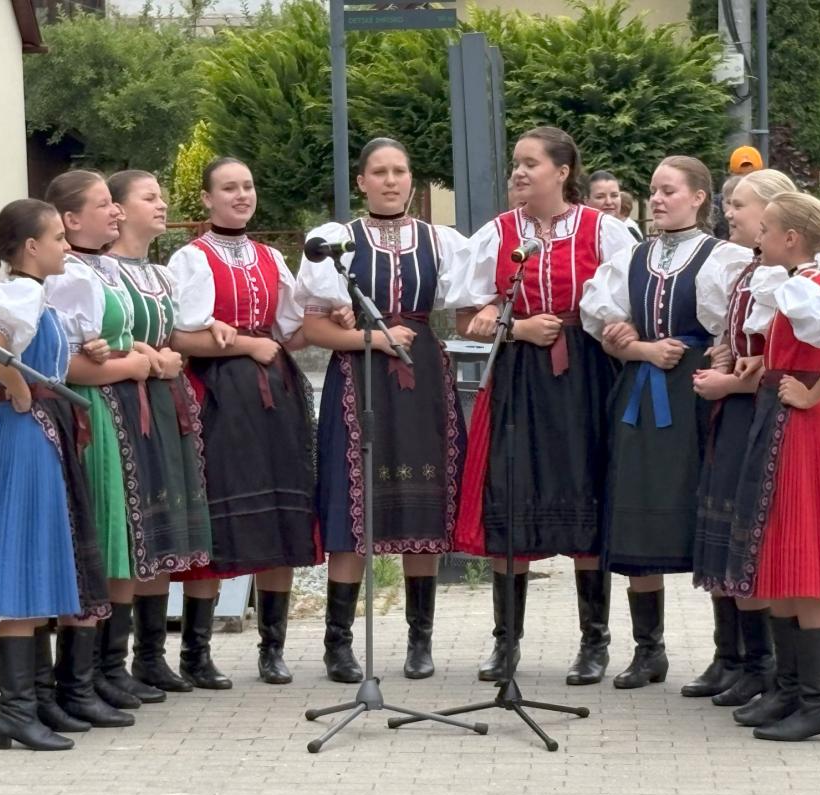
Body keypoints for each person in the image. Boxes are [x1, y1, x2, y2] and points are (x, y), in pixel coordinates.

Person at [448, 126, 634, 684]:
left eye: (531, 163)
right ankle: (506, 641)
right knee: (512, 491)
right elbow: (465, 318)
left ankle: (595, 641)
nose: (520, 172)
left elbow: (631, 305)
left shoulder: (605, 231)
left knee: (586, 490)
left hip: (587, 373)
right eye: (517, 163)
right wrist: (516, 327)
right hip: (520, 375)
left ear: (563, 171)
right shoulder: (498, 233)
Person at [296, 138, 467, 681]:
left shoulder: (441, 241)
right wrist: (371, 339)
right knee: (352, 502)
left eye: (399, 171)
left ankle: (420, 641)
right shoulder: (336, 241)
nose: (391, 181)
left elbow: (472, 304)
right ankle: (339, 644)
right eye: (379, 172)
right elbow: (314, 329)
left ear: (411, 180)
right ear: (361, 182)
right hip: (359, 378)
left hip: (423, 378)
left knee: (425, 502)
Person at [0, 198, 110, 751]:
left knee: (38, 559)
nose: (66, 246)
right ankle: (14, 710)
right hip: (23, 436)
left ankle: (34, 701)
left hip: (41, 432)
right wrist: (16, 385)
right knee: (23, 564)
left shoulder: (34, 295)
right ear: (32, 247)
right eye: (58, 238)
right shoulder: (16, 293)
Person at [581, 156, 753, 692]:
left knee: (710, 512)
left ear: (699, 197)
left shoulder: (724, 257)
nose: (657, 199)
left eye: (669, 191)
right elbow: (603, 322)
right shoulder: (631, 257)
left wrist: (722, 354)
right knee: (636, 511)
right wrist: (633, 343)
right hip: (640, 394)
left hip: (699, 394)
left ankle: (732, 656)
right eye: (653, 190)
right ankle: (648, 651)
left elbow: (738, 328)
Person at [726, 192, 820, 742]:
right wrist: (764, 363)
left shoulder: (808, 286)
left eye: (766, 228)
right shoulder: (798, 283)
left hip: (802, 430)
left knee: (803, 560)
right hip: (782, 422)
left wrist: (812, 394)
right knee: (782, 555)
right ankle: (791, 692)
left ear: (791, 238)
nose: (758, 236)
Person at [168, 157, 320, 685]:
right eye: (229, 188)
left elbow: (290, 332)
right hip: (218, 395)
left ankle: (272, 649)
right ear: (207, 199)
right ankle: (195, 653)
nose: (241, 195)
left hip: (275, 396)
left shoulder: (271, 257)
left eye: (248, 186)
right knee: (219, 514)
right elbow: (178, 336)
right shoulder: (192, 258)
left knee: (281, 512)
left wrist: (327, 317)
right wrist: (246, 344)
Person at [45, 171, 155, 727]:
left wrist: (132, 351)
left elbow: (109, 341)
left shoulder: (103, 268)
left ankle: (109, 668)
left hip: (115, 411)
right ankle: (78, 679)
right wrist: (133, 364)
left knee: (121, 537)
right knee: (97, 539)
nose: (115, 212)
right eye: (103, 204)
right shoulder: (63, 274)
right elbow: (62, 364)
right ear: (70, 219)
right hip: (86, 413)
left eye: (116, 203)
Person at [105, 170, 219, 686]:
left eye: (161, 196)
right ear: (119, 209)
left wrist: (198, 335)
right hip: (125, 399)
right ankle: (114, 661)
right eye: (149, 197)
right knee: (134, 526)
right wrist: (151, 357)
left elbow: (175, 333)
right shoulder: (101, 272)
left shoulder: (160, 274)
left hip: (165, 400)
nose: (161, 204)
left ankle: (150, 657)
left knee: (162, 525)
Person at [690, 168, 797, 708]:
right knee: (726, 529)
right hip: (734, 412)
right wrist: (724, 356)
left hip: (761, 413)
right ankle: (739, 659)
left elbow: (784, 365)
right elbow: (742, 345)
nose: (729, 213)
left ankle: (766, 666)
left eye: (741, 205)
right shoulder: (746, 270)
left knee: (752, 535)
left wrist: (727, 382)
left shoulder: (787, 279)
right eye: (729, 203)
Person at [712, 174, 743, 241]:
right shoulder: (713, 223)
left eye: (737, 205)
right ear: (722, 203)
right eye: (729, 203)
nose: (729, 214)